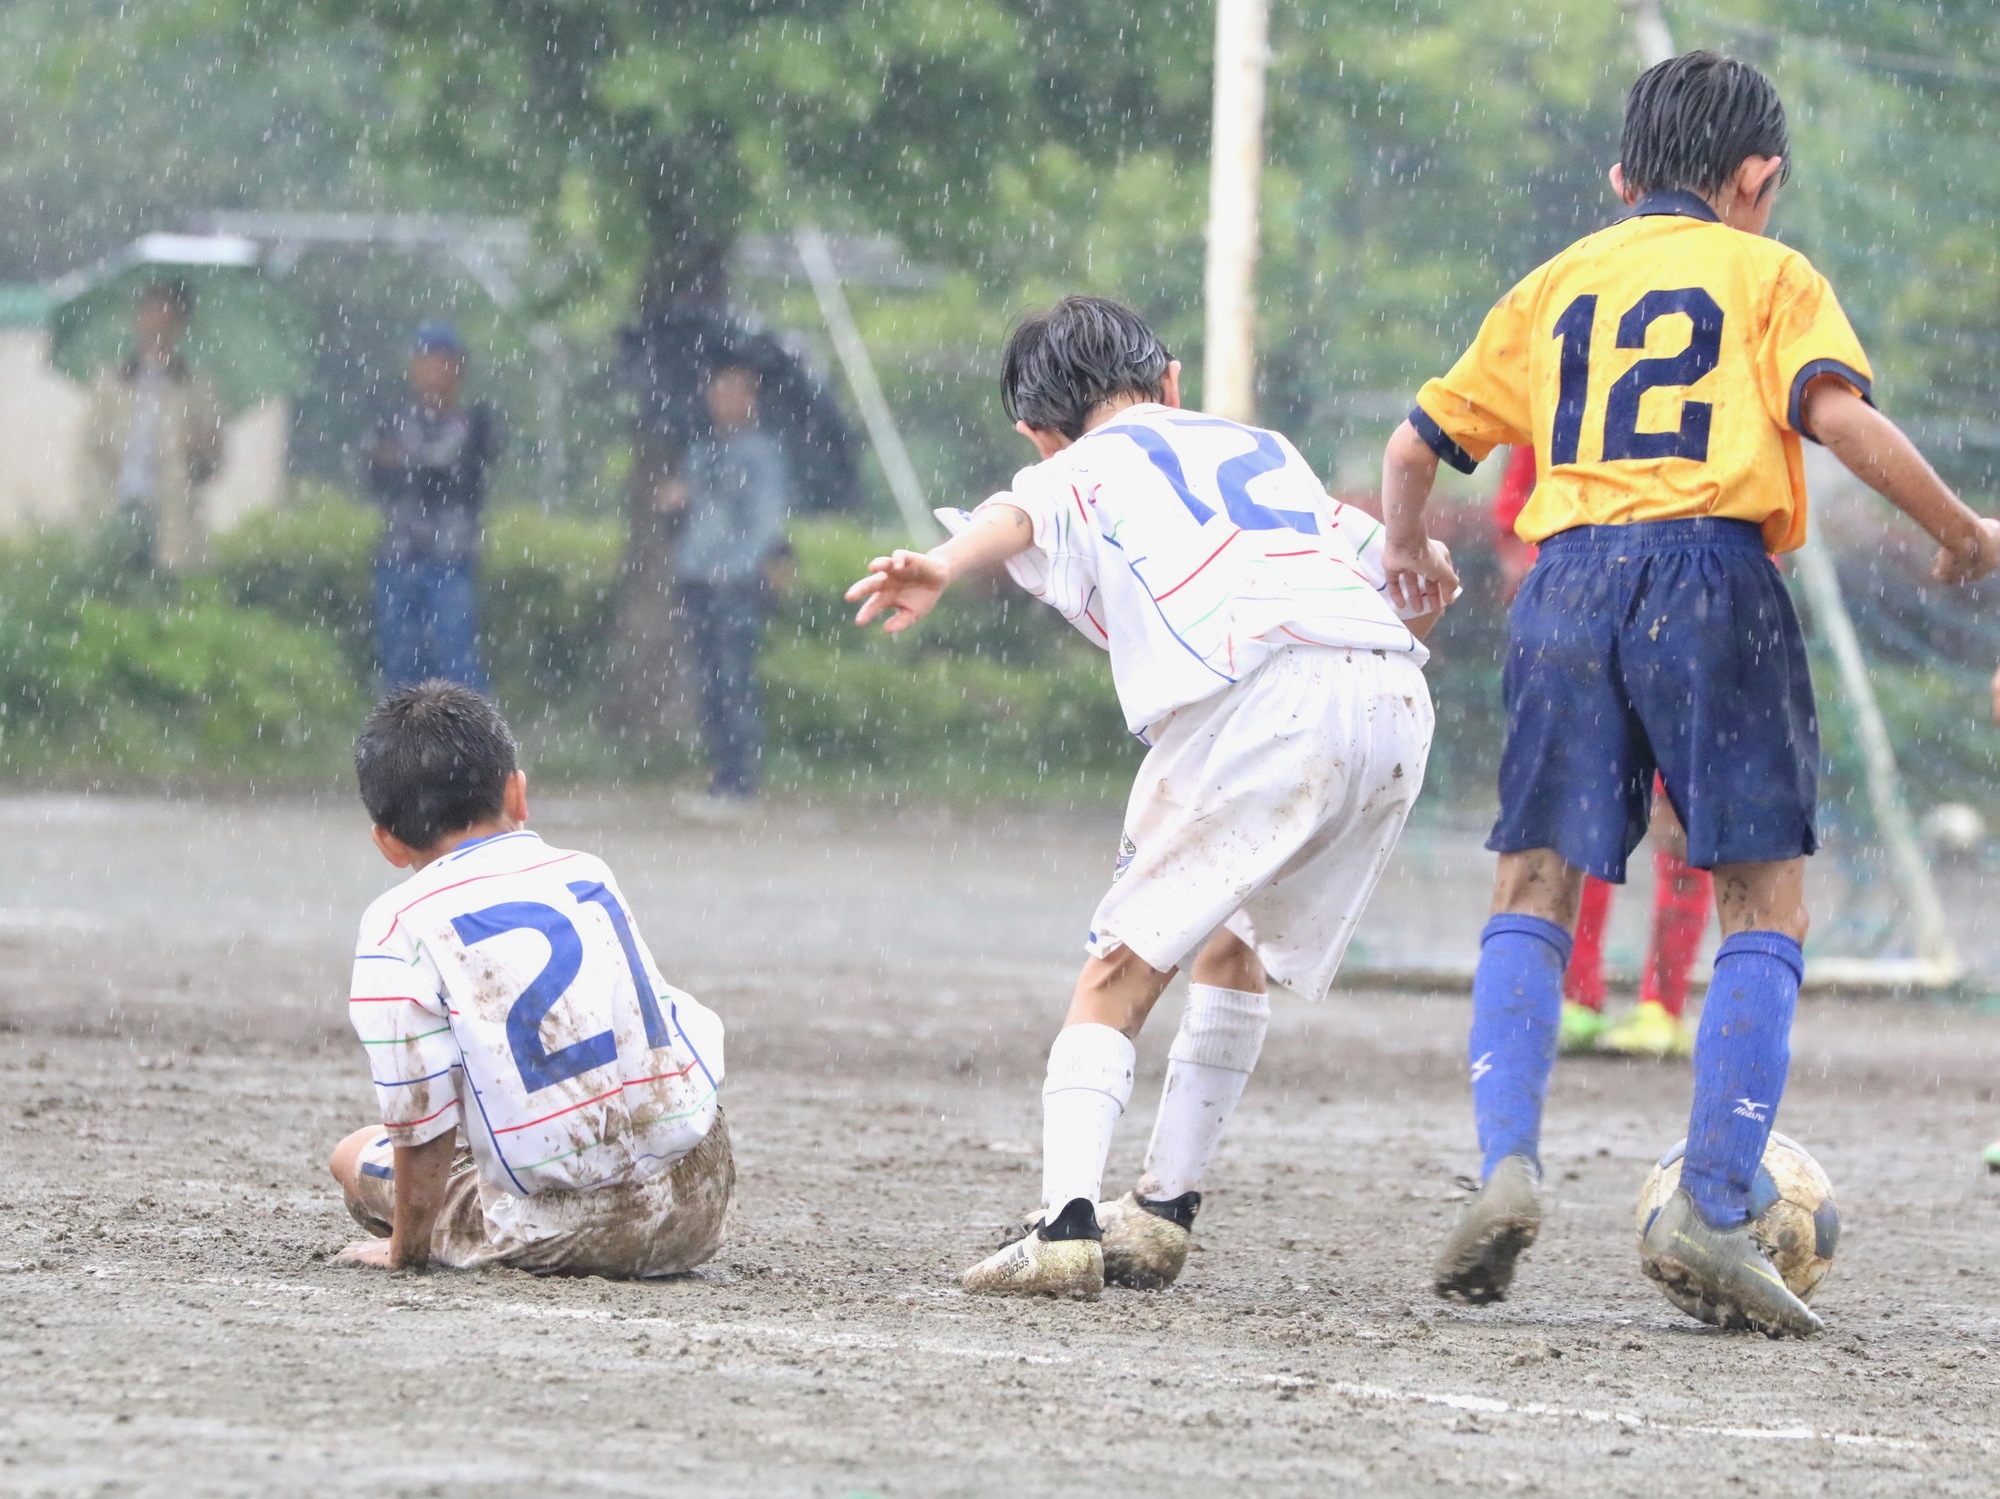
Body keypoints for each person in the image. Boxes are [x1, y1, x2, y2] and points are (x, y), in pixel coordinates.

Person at [1382, 51, 2000, 1336]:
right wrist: (1958, 529)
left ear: (1617, 179)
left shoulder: (1550, 281)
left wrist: (1407, 545)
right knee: (1759, 894)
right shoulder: (1769, 274)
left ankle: (1506, 1162)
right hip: (1710, 579)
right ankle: (1712, 1207)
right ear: (1756, 180)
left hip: (1562, 588)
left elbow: (1414, 443)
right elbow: (1833, 420)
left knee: (1534, 877)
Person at [846, 296, 1447, 1297]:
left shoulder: (1079, 463)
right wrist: (1422, 556)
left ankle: (1064, 1225)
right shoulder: (1259, 444)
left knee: (1117, 967)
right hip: (1389, 692)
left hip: (1267, 699)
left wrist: (940, 564)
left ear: (1035, 434)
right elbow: (1379, 544)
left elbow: (1022, 510)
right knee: (1234, 937)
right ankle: (1163, 1212)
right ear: (1169, 379)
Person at [327, 680, 733, 1275]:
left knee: (352, 1156)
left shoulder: (398, 924)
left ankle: (477, 1226)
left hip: (569, 1230)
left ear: (387, 842)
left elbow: (420, 1120)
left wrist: (404, 1253)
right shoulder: (586, 874)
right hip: (700, 1195)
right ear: (518, 793)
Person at [1495, 448, 1711, 1060]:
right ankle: (1579, 995)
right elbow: (1518, 506)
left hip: (1687, 612)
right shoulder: (1565, 376)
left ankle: (1660, 1007)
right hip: (1588, 616)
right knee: (1588, 808)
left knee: (1680, 819)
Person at [662, 361, 792, 811]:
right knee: (710, 680)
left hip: (735, 582)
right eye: (717, 393)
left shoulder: (762, 455)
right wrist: (675, 505)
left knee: (734, 678)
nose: (724, 402)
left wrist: (746, 566)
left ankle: (740, 779)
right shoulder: (701, 452)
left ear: (750, 401)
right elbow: (687, 520)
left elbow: (765, 522)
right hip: (697, 577)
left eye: (734, 393)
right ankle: (722, 775)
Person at [368, 323, 502, 693]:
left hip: (452, 555)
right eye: (425, 362)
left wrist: (409, 464)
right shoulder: (393, 420)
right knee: (400, 654)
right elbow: (377, 476)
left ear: (458, 370)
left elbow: (467, 477)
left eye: (442, 363)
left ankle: (471, 740)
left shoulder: (476, 424)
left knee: (455, 652)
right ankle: (404, 741)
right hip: (398, 553)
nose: (433, 372)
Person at [80, 279, 226, 575]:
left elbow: (213, 463)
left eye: (168, 316)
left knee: (163, 595)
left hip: (172, 518)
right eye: (152, 313)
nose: (159, 324)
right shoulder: (111, 383)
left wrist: (200, 446)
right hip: (116, 509)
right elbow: (90, 450)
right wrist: (96, 504)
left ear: (181, 324)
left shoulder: (198, 387)